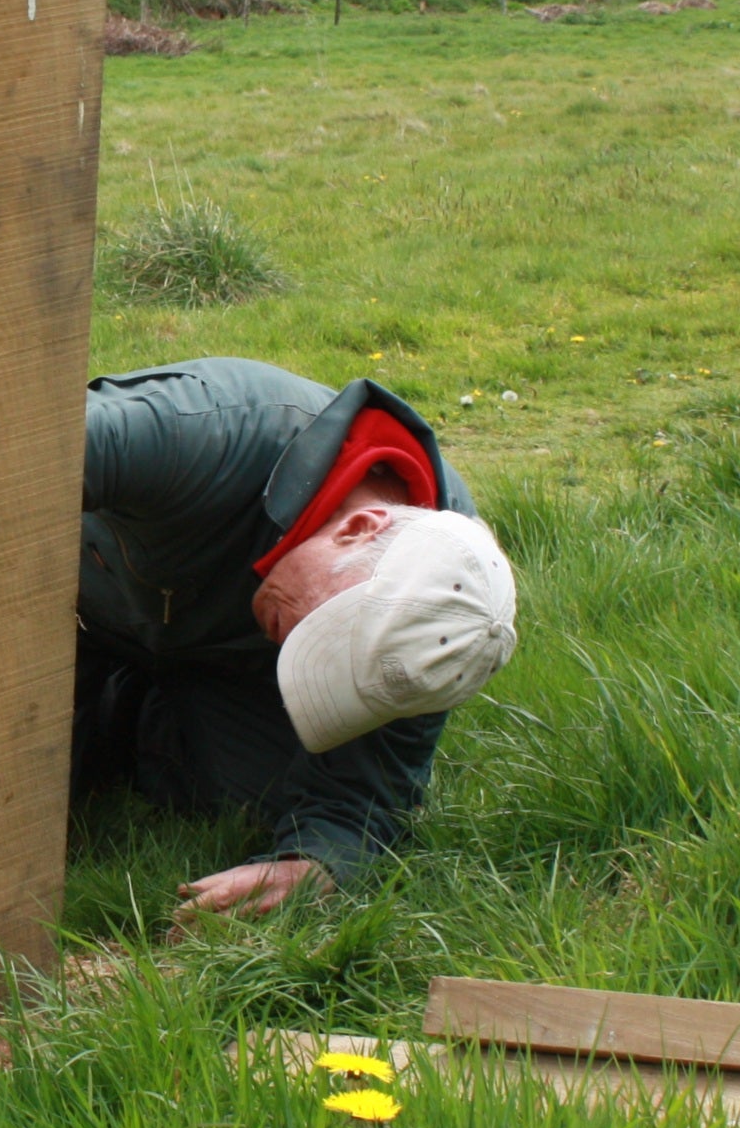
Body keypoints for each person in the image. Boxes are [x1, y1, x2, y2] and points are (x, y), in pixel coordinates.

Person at [73, 359, 518, 919]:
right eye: (318, 637)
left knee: (258, 798)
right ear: (359, 529)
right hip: (55, 611)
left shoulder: (443, 618)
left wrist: (314, 866)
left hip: (207, 657)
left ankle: (120, 721)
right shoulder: (204, 431)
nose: (296, 654)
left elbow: (365, 794)